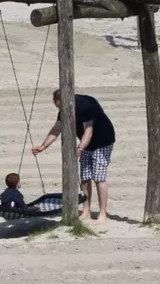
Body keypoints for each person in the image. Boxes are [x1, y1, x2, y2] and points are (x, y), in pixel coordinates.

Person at [31, 88, 116, 225]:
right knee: (85, 177)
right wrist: (43, 146)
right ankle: (86, 211)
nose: (59, 110)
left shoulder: (85, 105)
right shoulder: (65, 108)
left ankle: (102, 214)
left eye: (59, 106)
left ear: (65, 101)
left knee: (99, 177)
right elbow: (57, 128)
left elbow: (88, 131)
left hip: (103, 141)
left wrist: (80, 148)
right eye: (58, 107)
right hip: (86, 143)